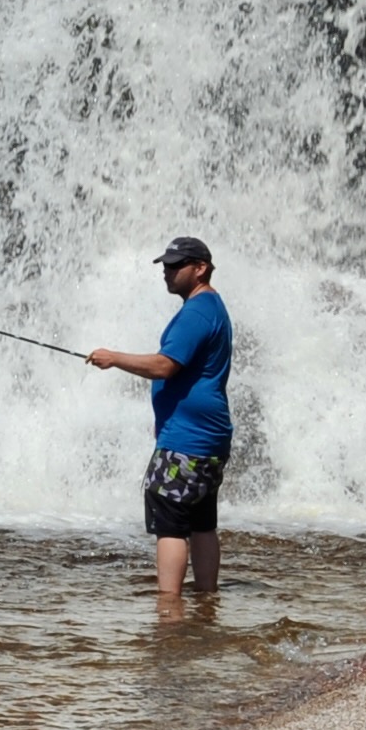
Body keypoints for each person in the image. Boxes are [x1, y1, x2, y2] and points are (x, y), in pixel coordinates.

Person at [88, 235, 230, 602]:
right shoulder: (213, 307)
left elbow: (165, 366)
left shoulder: (196, 313)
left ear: (201, 268)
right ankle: (206, 602)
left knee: (170, 524)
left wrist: (113, 358)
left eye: (176, 265)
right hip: (208, 439)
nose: (167, 272)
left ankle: (169, 610)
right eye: (165, 265)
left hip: (185, 440)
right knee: (202, 523)